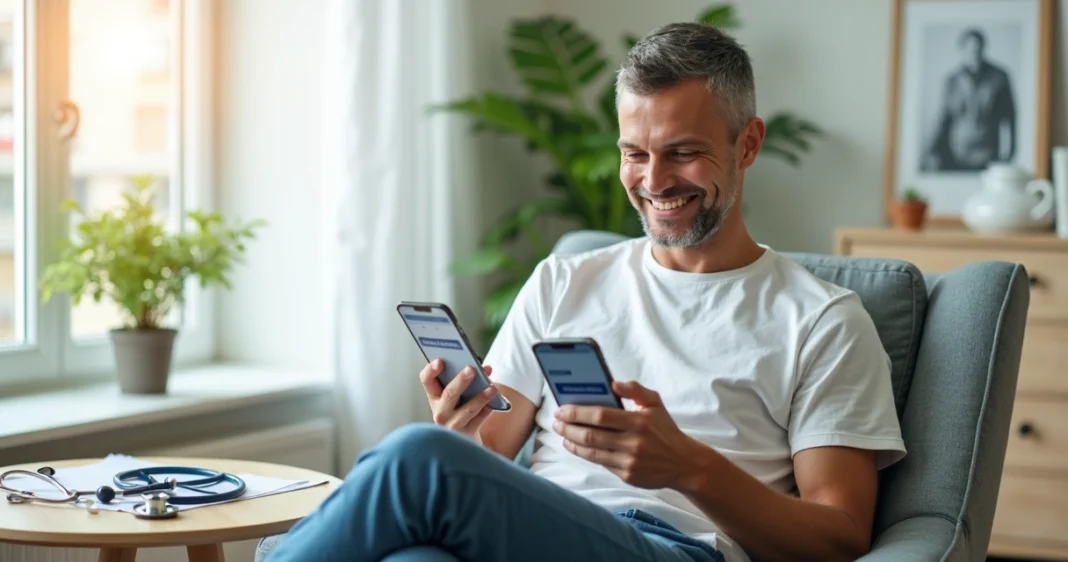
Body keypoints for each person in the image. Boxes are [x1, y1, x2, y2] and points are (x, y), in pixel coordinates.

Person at [266, 21, 905, 562]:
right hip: (538, 531)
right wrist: (461, 427)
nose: (654, 181)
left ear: (748, 144)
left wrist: (688, 467)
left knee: (417, 456)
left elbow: (840, 536)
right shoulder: (564, 280)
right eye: (635, 154)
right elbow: (490, 449)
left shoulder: (822, 321)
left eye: (683, 152)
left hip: (674, 548)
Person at [922, 27, 1017, 172]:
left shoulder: (999, 78)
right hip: (956, 154)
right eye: (970, 50)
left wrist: (1010, 152)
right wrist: (930, 150)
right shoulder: (952, 81)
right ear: (962, 51)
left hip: (987, 154)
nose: (974, 55)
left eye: (978, 49)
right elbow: (942, 118)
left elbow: (1010, 116)